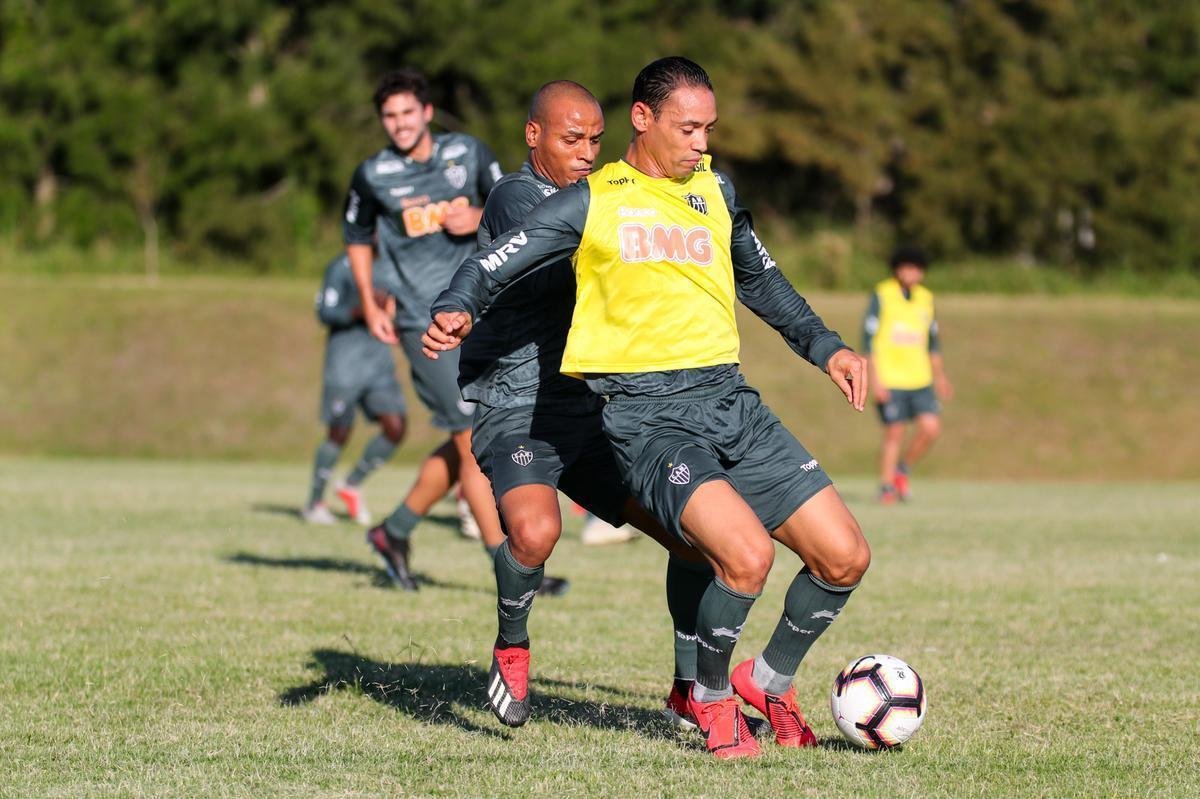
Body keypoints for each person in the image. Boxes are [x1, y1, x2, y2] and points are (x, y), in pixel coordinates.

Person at [423, 57, 871, 759]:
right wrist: (455, 305)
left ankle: (768, 678)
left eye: (709, 129)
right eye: (688, 128)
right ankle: (710, 698)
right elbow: (494, 260)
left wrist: (829, 347)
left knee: (845, 556)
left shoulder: (715, 190)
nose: (702, 143)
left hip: (730, 401)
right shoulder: (592, 198)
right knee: (742, 557)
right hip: (646, 414)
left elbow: (764, 280)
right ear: (644, 119)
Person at [450, 80, 712, 729]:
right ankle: (512, 642)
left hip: (594, 409)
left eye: (596, 140)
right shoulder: (520, 196)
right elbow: (582, 262)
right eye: (572, 139)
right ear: (534, 135)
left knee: (697, 539)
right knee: (537, 533)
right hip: (518, 406)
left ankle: (689, 689)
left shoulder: (602, 198)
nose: (586, 153)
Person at [341, 68, 567, 594]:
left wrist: (477, 212)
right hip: (425, 321)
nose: (398, 124)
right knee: (469, 439)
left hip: (483, 311)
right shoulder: (373, 173)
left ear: (426, 112)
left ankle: (393, 532)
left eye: (406, 113)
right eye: (389, 116)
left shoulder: (466, 153)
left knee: (472, 433)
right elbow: (356, 235)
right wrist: (370, 299)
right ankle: (508, 564)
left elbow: (516, 201)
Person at [303, 253, 405, 525]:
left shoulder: (392, 263)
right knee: (339, 431)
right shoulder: (341, 267)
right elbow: (325, 311)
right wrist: (361, 309)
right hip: (345, 364)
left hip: (379, 364)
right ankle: (314, 503)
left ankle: (351, 483)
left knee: (396, 427)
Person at [863, 246, 953, 503]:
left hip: (920, 378)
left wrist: (940, 376)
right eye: (906, 267)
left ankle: (902, 470)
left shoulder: (926, 298)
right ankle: (886, 486)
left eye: (915, 268)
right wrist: (875, 380)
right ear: (897, 269)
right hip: (891, 378)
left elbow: (932, 342)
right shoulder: (882, 295)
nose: (910, 272)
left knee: (931, 428)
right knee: (894, 432)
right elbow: (868, 341)